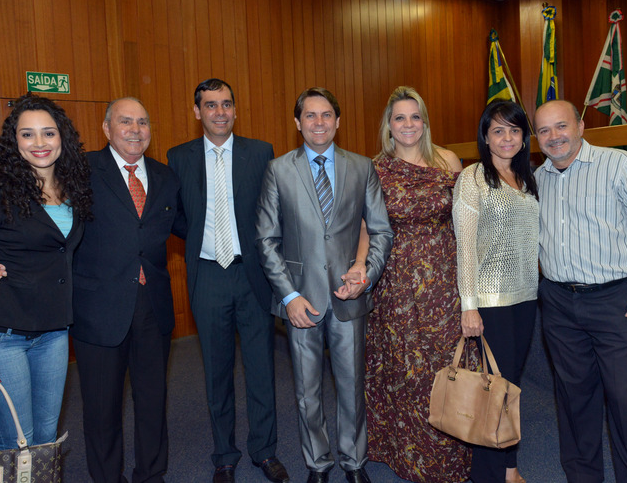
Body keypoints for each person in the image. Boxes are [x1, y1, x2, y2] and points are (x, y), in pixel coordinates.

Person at [256, 87, 393, 483]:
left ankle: (354, 462)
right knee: (306, 391)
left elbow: (381, 231)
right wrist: (289, 296)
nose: (319, 122)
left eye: (326, 115)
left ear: (338, 121)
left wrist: (366, 275)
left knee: (351, 386)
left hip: (350, 297)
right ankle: (317, 463)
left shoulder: (362, 167)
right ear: (297, 123)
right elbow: (266, 239)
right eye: (310, 116)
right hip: (301, 300)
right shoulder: (278, 170)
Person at [534, 99, 627, 483]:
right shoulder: (537, 178)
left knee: (626, 400)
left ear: (580, 126)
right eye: (544, 130)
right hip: (558, 303)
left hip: (614, 300)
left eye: (561, 126)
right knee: (573, 399)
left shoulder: (618, 165)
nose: (554, 136)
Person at [166, 79, 289, 483]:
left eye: (226, 104)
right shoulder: (178, 157)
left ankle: (264, 450)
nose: (219, 112)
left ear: (235, 110)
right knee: (216, 372)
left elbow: (272, 211)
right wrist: (201, 239)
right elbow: (177, 215)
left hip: (252, 274)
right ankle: (224, 455)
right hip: (207, 276)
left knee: (261, 368)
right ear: (197, 112)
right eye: (210, 105)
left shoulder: (261, 152)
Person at [0, 93, 92, 450]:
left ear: (62, 137)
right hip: (4, 338)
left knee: (46, 440)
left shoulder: (75, 192)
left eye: (48, 133)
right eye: (27, 134)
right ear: (13, 141)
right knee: (18, 442)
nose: (39, 143)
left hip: (54, 335)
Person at [71, 97, 182, 483]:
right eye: (126, 122)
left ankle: (151, 474)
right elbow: (51, 224)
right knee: (102, 408)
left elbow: (187, 225)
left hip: (153, 305)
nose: (136, 130)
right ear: (106, 128)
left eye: (143, 122)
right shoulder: (81, 169)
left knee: (153, 400)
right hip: (98, 310)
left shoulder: (165, 177)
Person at [363, 86, 471, 483]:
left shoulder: (447, 160)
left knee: (446, 364)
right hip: (395, 282)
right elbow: (365, 229)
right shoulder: (375, 169)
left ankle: (451, 456)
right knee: (404, 367)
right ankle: (407, 453)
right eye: (400, 118)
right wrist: (360, 268)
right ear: (389, 126)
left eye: (415, 117)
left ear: (424, 122)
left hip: (445, 279)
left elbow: (467, 220)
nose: (408, 124)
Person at [452, 100, 539, 483]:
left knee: (511, 387)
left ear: (523, 137)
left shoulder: (527, 178)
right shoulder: (473, 178)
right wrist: (469, 306)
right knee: (494, 392)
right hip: (490, 302)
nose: (507, 138)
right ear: (485, 137)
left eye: (514, 130)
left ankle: (508, 468)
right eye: (498, 130)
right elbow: (465, 247)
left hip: (527, 298)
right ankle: (488, 475)